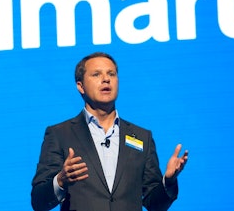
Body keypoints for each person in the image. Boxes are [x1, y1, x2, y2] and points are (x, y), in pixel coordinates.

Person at [31, 52, 188, 211]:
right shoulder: (60, 134)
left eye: (111, 74)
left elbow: (154, 204)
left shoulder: (142, 137)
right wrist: (60, 181)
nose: (106, 79)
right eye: (96, 74)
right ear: (80, 86)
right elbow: (38, 201)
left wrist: (168, 181)